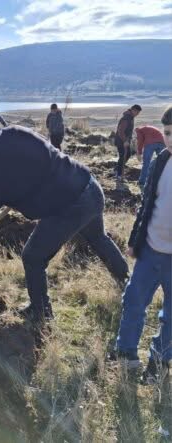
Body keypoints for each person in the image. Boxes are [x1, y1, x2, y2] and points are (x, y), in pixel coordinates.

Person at [0, 127, 129, 323]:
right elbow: (42, 155)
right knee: (97, 237)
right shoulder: (13, 133)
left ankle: (41, 313)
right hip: (89, 187)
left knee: (33, 256)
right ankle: (127, 282)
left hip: (70, 206)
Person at [112, 106, 172, 383]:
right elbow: (147, 204)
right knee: (134, 300)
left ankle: (159, 362)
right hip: (150, 249)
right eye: (169, 133)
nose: (171, 140)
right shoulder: (161, 160)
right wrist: (136, 241)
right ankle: (126, 356)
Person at [114, 104, 142, 184]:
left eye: (138, 113)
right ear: (133, 110)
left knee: (127, 154)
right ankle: (119, 175)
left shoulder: (130, 117)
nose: (137, 114)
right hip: (121, 141)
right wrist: (125, 141)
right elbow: (121, 130)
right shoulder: (127, 118)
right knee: (123, 156)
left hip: (125, 140)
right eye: (137, 112)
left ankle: (117, 170)